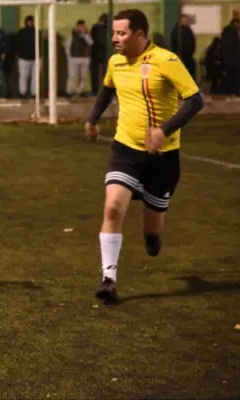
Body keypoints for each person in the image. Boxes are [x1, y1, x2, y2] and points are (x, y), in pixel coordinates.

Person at [84, 9, 204, 302]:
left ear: (139, 35)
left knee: (153, 228)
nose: (115, 39)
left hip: (162, 158)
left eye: (121, 33)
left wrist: (164, 130)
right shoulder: (115, 62)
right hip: (125, 150)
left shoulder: (166, 60)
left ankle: (152, 236)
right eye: (114, 33)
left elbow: (195, 100)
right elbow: (106, 90)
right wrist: (91, 119)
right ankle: (108, 279)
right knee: (112, 208)